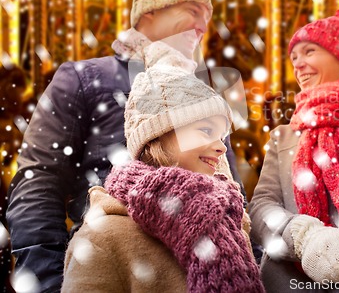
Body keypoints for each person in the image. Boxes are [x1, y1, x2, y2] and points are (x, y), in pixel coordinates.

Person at [6, 0, 244, 292]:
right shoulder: (84, 79)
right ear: (151, 13)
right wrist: (49, 282)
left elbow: (230, 189)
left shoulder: (201, 94)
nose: (203, 25)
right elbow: (38, 181)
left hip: (202, 272)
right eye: (192, 10)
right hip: (114, 268)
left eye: (207, 16)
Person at [62, 42, 264, 292]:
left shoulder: (230, 221)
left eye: (221, 136)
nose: (222, 147)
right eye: (205, 131)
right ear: (158, 136)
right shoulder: (104, 236)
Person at [248, 6, 339, 290]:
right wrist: (303, 238)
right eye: (294, 57)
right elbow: (261, 206)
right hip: (290, 279)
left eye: (309, 52)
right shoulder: (285, 135)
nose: (298, 64)